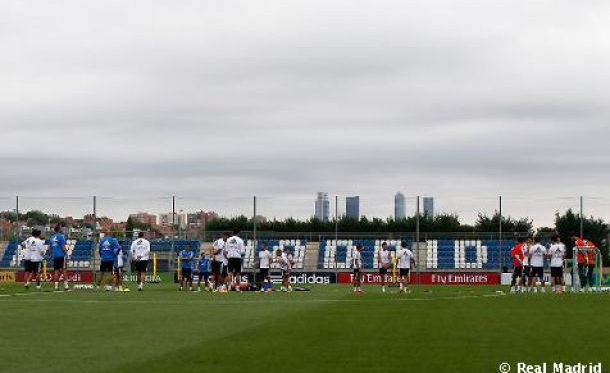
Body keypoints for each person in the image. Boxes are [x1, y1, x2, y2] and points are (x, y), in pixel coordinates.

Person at [49, 225, 69, 291]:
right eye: (61, 228)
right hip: (61, 255)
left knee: (56, 271)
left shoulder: (51, 237)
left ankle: (56, 287)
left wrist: (52, 255)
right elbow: (63, 246)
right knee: (64, 270)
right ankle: (66, 286)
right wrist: (67, 254)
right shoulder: (61, 236)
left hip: (55, 256)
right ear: (59, 229)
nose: (62, 229)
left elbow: (50, 249)